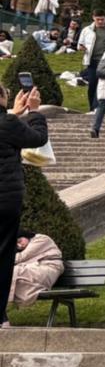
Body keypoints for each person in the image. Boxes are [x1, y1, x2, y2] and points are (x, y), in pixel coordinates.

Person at [0, 82, 46, 328]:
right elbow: (37, 138)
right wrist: (35, 112)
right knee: (4, 256)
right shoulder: (8, 123)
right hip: (5, 199)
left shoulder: (8, 121)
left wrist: (14, 114)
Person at [3, 231, 63, 323]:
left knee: (12, 272)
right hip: (35, 269)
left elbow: (21, 257)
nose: (20, 245)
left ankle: (3, 317)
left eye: (20, 241)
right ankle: (3, 318)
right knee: (8, 276)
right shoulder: (26, 246)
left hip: (48, 268)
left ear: (26, 235)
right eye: (17, 245)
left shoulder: (41, 239)